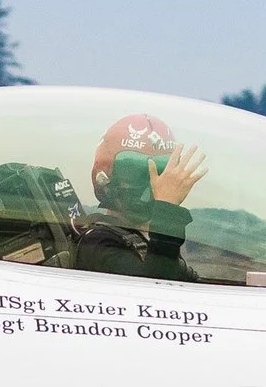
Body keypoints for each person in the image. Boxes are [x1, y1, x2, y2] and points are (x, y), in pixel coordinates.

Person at [73, 114, 208, 282]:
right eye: (132, 171)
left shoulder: (149, 243)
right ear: (105, 176)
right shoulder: (96, 244)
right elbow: (155, 287)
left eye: (160, 171)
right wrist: (167, 210)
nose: (150, 184)